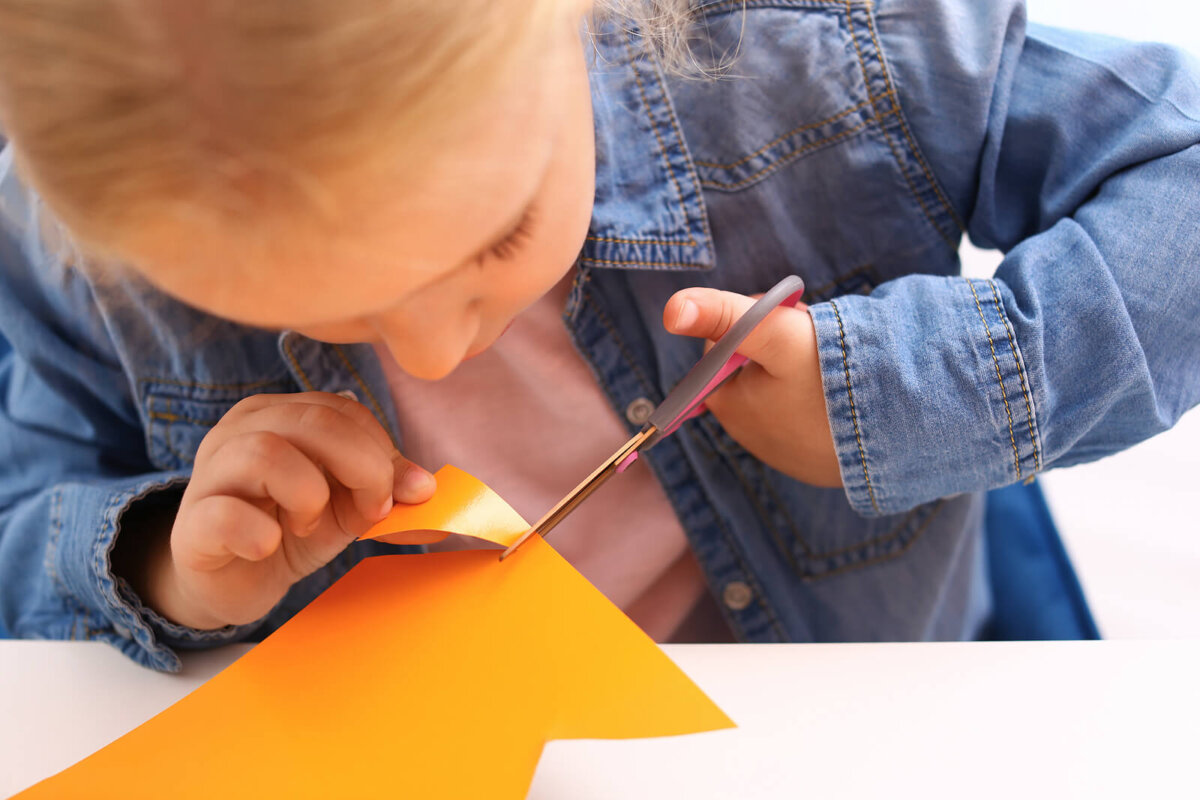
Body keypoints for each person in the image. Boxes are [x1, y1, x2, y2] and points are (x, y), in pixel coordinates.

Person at [0, 0, 1196, 671]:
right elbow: (28, 520)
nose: (429, 354)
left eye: (495, 236)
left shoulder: (825, 49)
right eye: (322, 307)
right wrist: (162, 558)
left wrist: (910, 391)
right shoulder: (81, 231)